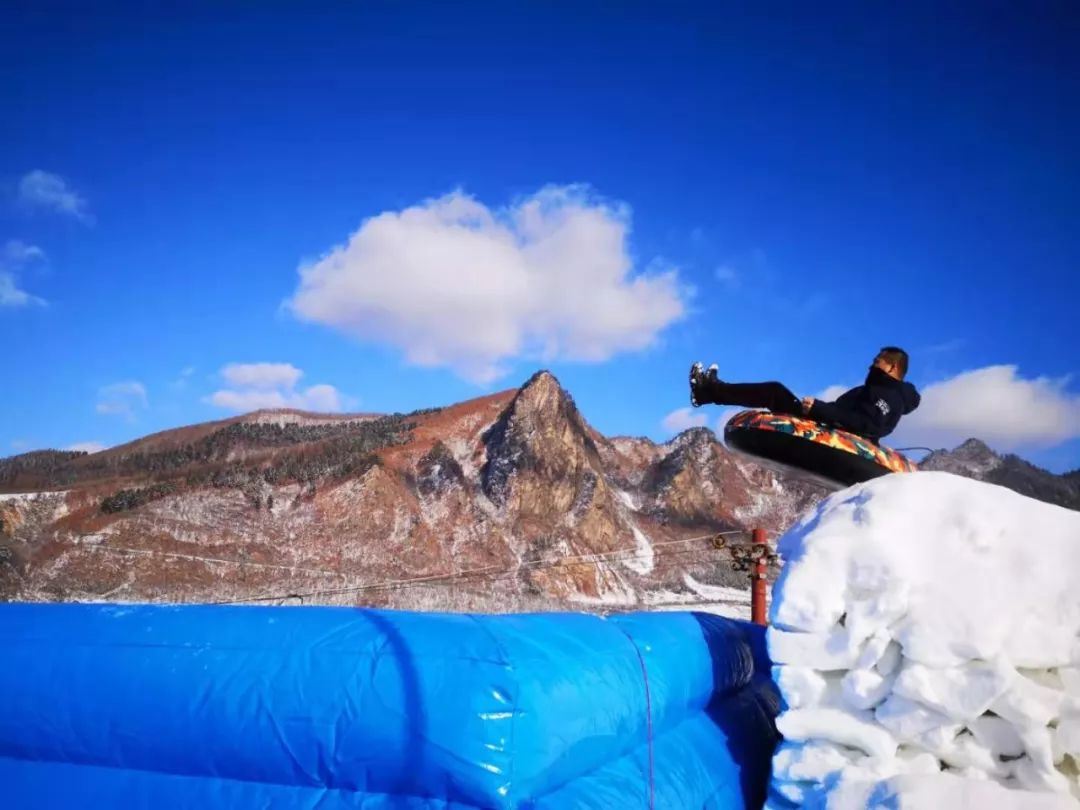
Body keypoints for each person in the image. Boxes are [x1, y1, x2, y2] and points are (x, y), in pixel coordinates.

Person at [689, 347, 921, 442]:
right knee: (775, 391)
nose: (872, 365)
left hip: (834, 432)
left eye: (877, 362)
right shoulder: (873, 389)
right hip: (826, 422)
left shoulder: (890, 396)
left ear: (892, 368)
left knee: (774, 391)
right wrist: (817, 409)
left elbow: (867, 423)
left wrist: (819, 409)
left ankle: (708, 391)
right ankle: (708, 391)